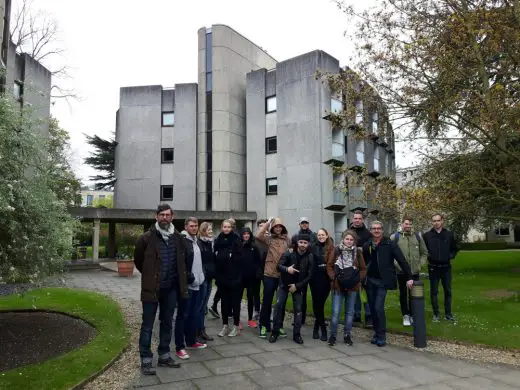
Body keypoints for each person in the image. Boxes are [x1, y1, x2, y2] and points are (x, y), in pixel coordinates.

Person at [134, 204, 189, 375]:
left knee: (167, 322)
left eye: (168, 215)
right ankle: (146, 359)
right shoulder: (145, 238)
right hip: (152, 289)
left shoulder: (178, 238)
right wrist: (152, 276)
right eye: (162, 215)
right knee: (148, 325)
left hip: (171, 288)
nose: (165, 218)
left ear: (172, 217)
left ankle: (164, 355)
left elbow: (183, 261)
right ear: (156, 216)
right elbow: (139, 262)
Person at [363, 221, 414, 347]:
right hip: (370, 281)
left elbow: (402, 260)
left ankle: (381, 335)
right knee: (372, 309)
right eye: (374, 228)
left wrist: (409, 277)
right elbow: (363, 263)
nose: (376, 230)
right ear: (370, 230)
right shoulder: (367, 245)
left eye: (378, 228)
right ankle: (376, 332)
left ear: (382, 230)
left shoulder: (390, 244)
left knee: (378, 307)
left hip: (382, 281)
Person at [269, 233, 314, 344]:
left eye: (305, 243)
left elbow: (310, 275)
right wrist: (287, 269)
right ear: (297, 242)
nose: (303, 244)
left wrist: (297, 286)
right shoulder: (289, 253)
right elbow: (278, 266)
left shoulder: (310, 256)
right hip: (284, 284)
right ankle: (275, 332)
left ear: (308, 244)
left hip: (298, 286)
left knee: (298, 310)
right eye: (301, 242)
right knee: (278, 307)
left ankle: (296, 334)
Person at [175, 218, 208, 360]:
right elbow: (180, 264)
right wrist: (191, 278)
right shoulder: (183, 241)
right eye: (192, 226)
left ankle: (191, 341)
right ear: (186, 226)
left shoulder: (196, 241)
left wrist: (202, 276)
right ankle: (179, 347)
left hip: (198, 285)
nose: (194, 228)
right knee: (183, 316)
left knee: (194, 314)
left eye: (196, 226)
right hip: (187, 286)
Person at [327, 230, 366, 346]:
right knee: (336, 312)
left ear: (354, 241)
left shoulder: (357, 252)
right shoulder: (336, 250)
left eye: (351, 240)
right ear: (343, 239)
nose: (349, 241)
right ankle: (333, 335)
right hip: (338, 286)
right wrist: (334, 278)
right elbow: (329, 266)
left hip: (352, 287)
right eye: (347, 239)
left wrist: (357, 279)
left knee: (350, 312)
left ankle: (347, 335)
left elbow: (363, 268)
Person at [256, 217, 290, 339]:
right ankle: (264, 325)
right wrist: (268, 222)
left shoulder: (287, 240)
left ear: (283, 228)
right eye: (276, 226)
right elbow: (258, 235)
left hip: (282, 275)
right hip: (269, 274)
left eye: (280, 226)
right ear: (273, 228)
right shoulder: (269, 239)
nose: (278, 228)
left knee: (281, 303)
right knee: (267, 301)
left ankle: (279, 325)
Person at [390, 216, 428, 326]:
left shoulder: (417, 236)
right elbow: (391, 255)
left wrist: (419, 265)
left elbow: (424, 253)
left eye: (410, 224)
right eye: (406, 224)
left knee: (414, 295)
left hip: (414, 272)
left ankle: (413, 314)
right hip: (401, 272)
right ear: (402, 224)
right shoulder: (395, 237)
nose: (408, 226)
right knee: (403, 294)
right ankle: (405, 315)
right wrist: (398, 266)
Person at [423, 214, 459, 322]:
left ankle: (448, 314)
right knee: (434, 291)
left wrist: (450, 256)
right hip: (433, 267)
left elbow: (455, 248)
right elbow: (423, 250)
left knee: (447, 291)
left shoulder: (449, 234)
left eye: (438, 220)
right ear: (432, 222)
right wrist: (429, 256)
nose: (436, 223)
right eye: (434, 221)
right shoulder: (427, 235)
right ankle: (436, 314)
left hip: (446, 267)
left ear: (442, 221)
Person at [214, 219, 243, 337]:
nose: (226, 229)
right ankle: (225, 325)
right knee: (224, 303)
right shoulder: (219, 239)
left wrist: (223, 255)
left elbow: (238, 258)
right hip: (222, 277)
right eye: (224, 227)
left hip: (235, 277)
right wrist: (225, 255)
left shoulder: (236, 239)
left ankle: (236, 326)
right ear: (221, 227)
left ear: (232, 228)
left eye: (228, 227)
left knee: (235, 302)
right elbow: (215, 255)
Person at [291, 217, 317, 324]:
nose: (304, 224)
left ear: (309, 223)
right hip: (300, 267)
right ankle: (300, 318)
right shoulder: (295, 236)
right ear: (299, 224)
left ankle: (318, 319)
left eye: (306, 222)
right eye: (303, 223)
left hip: (311, 265)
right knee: (301, 294)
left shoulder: (314, 235)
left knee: (315, 295)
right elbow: (293, 248)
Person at [350, 210, 373, 327]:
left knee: (365, 292)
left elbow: (368, 246)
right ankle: (356, 316)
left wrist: (361, 248)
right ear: (352, 219)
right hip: (351, 266)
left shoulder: (368, 233)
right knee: (354, 291)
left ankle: (369, 317)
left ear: (362, 220)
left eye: (359, 218)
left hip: (365, 266)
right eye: (355, 218)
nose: (357, 220)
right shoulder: (348, 232)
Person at [310, 228, 334, 341]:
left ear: (327, 235)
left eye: (322, 235)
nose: (320, 237)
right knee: (316, 304)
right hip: (315, 279)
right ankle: (320, 328)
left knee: (320, 304)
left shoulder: (331, 247)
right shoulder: (313, 247)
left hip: (326, 279)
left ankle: (318, 327)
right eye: (319, 235)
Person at [240, 227, 262, 328]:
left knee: (250, 298)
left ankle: (250, 320)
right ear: (241, 235)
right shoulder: (238, 246)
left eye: (248, 234)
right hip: (240, 278)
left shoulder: (254, 247)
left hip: (251, 278)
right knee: (237, 299)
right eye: (244, 234)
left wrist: (257, 273)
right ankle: (237, 321)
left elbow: (259, 262)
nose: (246, 235)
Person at [196, 221, 215, 342]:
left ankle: (202, 330)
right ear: (203, 230)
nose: (211, 231)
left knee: (204, 306)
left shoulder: (210, 243)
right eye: (209, 229)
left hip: (209, 276)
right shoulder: (199, 243)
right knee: (199, 305)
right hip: (202, 277)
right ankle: (196, 331)